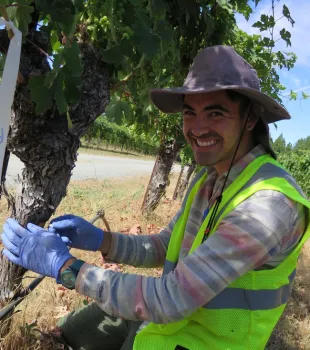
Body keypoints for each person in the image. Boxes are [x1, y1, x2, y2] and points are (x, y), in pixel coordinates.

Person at [2, 45, 310, 350]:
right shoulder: (210, 178)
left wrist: (64, 267)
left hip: (202, 342)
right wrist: (100, 240)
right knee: (68, 333)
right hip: (169, 327)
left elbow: (170, 298)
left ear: (250, 118)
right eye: (190, 113)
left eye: (216, 113)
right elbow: (164, 246)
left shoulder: (268, 205)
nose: (198, 128)